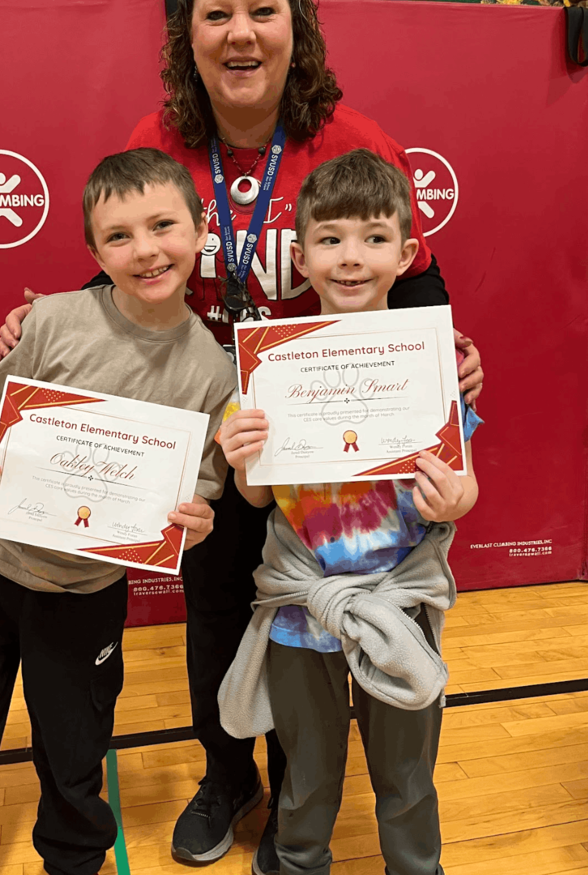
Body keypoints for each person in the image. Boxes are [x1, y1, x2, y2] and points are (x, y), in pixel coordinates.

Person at [0, 0, 484, 874]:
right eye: (217, 14)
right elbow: (121, 269)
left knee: (320, 617)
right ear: (188, 33)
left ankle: (311, 795)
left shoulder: (350, 142)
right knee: (217, 609)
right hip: (206, 429)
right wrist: (47, 322)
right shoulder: (159, 142)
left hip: (321, 442)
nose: (241, 34)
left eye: (262, 11)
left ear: (295, 23)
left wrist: (448, 357)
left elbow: (417, 280)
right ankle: (230, 778)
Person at [0, 149, 237, 875]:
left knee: (75, 752)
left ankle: (73, 862)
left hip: (83, 595)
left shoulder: (213, 372)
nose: (144, 250)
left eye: (163, 225)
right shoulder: (50, 319)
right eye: (118, 236)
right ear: (92, 251)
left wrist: (193, 524)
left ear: (201, 231)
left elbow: (196, 494)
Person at [218, 148, 481, 875]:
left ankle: (414, 866)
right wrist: (244, 459)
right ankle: (299, 861)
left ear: (405, 253)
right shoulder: (269, 366)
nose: (350, 257)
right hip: (301, 606)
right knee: (305, 773)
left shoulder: (432, 363)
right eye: (329, 239)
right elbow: (256, 498)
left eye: (372, 237)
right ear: (299, 256)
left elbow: (463, 486)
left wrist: (452, 498)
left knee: (405, 774)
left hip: (399, 601)